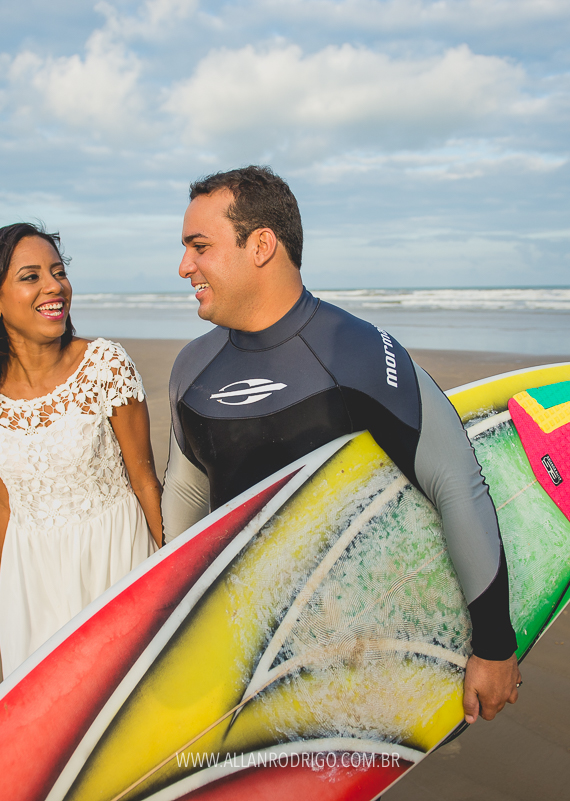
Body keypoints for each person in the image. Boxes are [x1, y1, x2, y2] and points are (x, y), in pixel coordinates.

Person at [160, 167, 521, 725]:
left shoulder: (355, 353)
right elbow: (186, 495)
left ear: (261, 245)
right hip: (240, 652)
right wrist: (173, 632)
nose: (184, 267)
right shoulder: (192, 368)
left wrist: (494, 646)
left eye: (199, 247)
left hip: (352, 647)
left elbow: (457, 484)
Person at [0, 223, 162, 676]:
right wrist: (8, 594)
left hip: (116, 563)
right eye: (31, 277)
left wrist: (172, 574)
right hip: (33, 581)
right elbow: (2, 502)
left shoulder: (105, 365)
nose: (54, 286)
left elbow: (144, 479)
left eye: (58, 272)